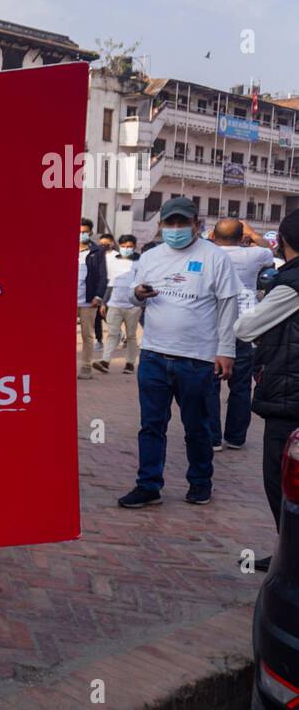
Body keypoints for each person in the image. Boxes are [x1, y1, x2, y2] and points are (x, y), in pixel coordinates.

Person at [118, 197, 240, 509]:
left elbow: (228, 305)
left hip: (197, 358)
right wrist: (138, 295)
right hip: (154, 355)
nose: (175, 229)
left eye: (182, 223)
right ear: (160, 226)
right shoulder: (151, 257)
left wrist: (225, 350)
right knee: (151, 424)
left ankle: (200, 483)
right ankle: (148, 485)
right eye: (169, 223)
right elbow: (131, 295)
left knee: (197, 425)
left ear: (197, 225)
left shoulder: (215, 257)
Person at [235, 210, 299, 573]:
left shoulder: (291, 285)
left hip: (289, 396)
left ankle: (289, 562)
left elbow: (246, 327)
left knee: (283, 485)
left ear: (285, 242)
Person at [208, 218, 274, 451]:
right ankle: (235, 437)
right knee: (241, 385)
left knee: (210, 385)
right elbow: (269, 249)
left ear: (214, 236)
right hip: (244, 324)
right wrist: (253, 233)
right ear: (241, 236)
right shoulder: (254, 255)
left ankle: (213, 437)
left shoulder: (209, 252)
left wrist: (211, 235)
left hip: (213, 324)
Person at [96, 234, 141, 373]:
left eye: (129, 247)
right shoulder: (113, 262)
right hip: (114, 304)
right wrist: (104, 303)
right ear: (119, 246)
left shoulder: (139, 262)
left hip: (132, 306)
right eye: (123, 246)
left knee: (131, 335)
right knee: (112, 333)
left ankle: (129, 364)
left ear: (134, 247)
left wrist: (141, 304)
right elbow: (110, 285)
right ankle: (105, 361)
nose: (126, 249)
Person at [77, 218, 107, 378]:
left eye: (84, 232)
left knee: (87, 335)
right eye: (79, 231)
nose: (81, 234)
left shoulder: (97, 252)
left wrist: (98, 296)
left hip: (88, 301)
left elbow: (103, 276)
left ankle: (86, 367)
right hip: (68, 301)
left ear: (90, 233)